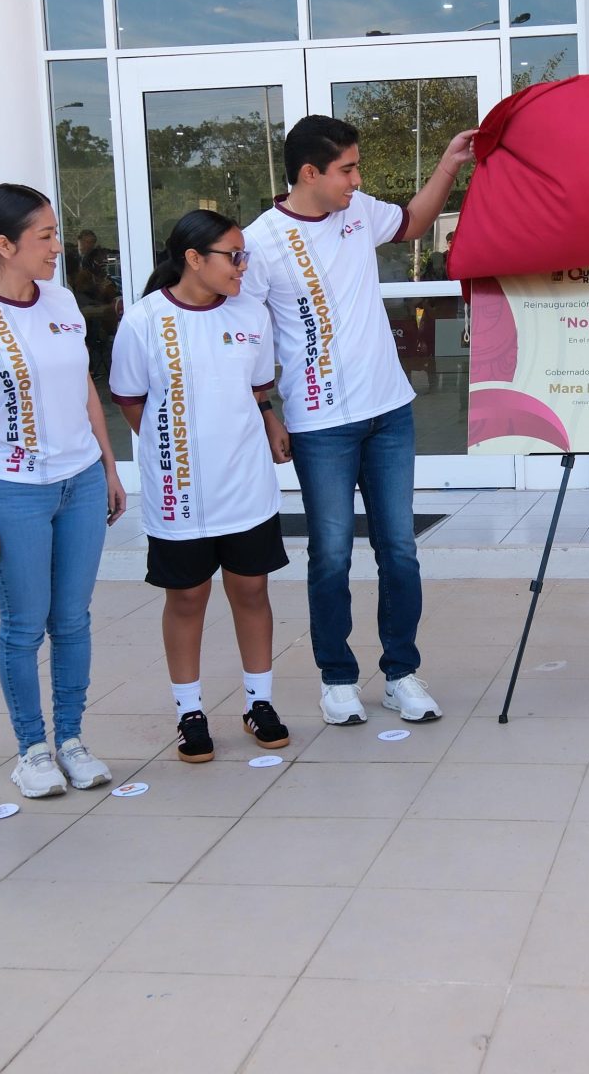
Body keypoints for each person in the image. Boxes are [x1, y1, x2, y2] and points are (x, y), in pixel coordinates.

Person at [244, 115, 473, 727]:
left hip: (389, 413)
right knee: (331, 553)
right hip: (321, 424)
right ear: (309, 173)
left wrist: (449, 162)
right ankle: (338, 677)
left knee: (399, 549)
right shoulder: (261, 242)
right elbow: (248, 337)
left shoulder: (358, 211)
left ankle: (401, 672)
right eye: (346, 169)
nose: (357, 178)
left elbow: (414, 221)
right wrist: (268, 411)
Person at [0, 183, 127, 798]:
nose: (56, 247)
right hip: (11, 491)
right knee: (24, 625)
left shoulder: (63, 301)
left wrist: (109, 467)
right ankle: (32, 748)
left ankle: (70, 738)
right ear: (3, 244)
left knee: (72, 621)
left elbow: (86, 389)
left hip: (81, 483)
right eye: (44, 236)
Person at [110, 210, 291, 761]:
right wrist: (176, 450)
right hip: (178, 490)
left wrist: (269, 420)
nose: (243, 265)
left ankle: (258, 701)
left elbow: (258, 385)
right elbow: (131, 398)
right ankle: (190, 711)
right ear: (193, 258)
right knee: (187, 597)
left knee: (251, 590)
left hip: (246, 484)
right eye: (232, 256)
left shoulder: (251, 314)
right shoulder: (144, 320)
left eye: (245, 255)